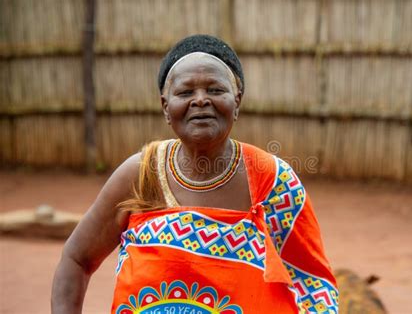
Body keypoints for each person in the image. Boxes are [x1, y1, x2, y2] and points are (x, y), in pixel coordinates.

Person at [51, 34, 339, 314]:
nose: (200, 100)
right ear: (166, 107)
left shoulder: (272, 181)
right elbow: (76, 259)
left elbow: (314, 285)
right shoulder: (141, 176)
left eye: (215, 90)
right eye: (186, 92)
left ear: (237, 101)